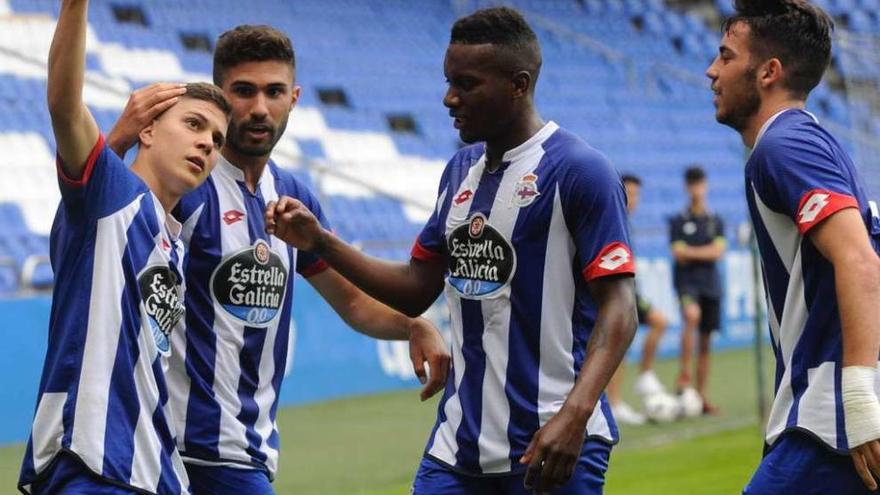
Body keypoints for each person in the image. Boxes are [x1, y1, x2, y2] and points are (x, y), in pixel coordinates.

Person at [266, 7, 638, 494]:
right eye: (448, 81)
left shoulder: (580, 171)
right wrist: (320, 242)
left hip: (552, 440)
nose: (449, 97)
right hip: (458, 448)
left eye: (466, 83)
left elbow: (621, 310)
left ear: (518, 84)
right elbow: (415, 289)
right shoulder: (460, 170)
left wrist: (575, 415)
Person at [107, 24, 450, 494]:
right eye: (243, 92)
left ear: (295, 98)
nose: (259, 108)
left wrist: (412, 325)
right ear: (222, 98)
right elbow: (104, 240)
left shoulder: (291, 196)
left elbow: (350, 301)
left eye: (274, 92)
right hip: (171, 446)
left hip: (248, 451)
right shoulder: (184, 184)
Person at [18, 0, 230, 493]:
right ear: (149, 129)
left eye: (217, 139)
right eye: (194, 125)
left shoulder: (171, 241)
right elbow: (64, 107)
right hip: (93, 464)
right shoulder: (113, 196)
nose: (207, 145)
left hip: (156, 471)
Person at [706, 0, 880, 493]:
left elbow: (859, 260)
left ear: (768, 72)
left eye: (725, 56)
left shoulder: (785, 145)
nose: (711, 71)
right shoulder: (808, 140)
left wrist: (860, 397)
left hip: (829, 418)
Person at [607, 174, 672, 425]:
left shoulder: (626, 222)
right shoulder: (611, 220)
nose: (633, 200)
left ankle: (642, 378)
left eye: (636, 195)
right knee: (615, 345)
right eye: (629, 194)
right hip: (615, 291)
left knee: (657, 323)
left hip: (628, 290)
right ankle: (613, 403)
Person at [668, 166, 725, 416]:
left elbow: (718, 252)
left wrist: (692, 253)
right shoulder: (678, 221)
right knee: (691, 316)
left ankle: (701, 397)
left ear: (706, 186)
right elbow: (677, 254)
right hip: (687, 282)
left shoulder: (716, 221)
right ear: (686, 188)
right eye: (691, 185)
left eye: (699, 184)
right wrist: (706, 252)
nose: (696, 190)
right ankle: (683, 375)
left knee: (705, 342)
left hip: (711, 284)